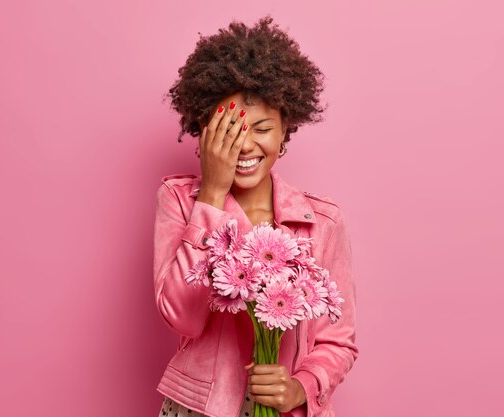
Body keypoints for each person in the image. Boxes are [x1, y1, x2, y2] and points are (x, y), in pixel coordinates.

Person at [153, 16, 358, 417]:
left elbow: (339, 341)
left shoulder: (322, 221)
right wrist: (211, 195)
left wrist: (301, 387)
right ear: (204, 131)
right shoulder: (179, 200)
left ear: (286, 131)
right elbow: (184, 318)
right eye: (229, 129)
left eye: (262, 127)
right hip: (199, 408)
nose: (244, 144)